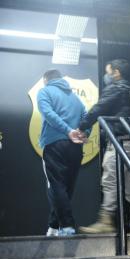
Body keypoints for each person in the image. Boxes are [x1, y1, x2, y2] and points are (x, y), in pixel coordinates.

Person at [78, 59, 130, 234]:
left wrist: (81, 126)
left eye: (108, 71)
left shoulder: (117, 88)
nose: (106, 76)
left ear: (116, 73)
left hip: (121, 141)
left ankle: (106, 220)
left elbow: (98, 109)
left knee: (109, 178)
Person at [38, 69, 86, 236]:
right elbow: (86, 117)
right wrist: (81, 132)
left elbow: (48, 114)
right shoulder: (75, 98)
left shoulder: (45, 91)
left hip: (54, 145)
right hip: (75, 148)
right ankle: (53, 226)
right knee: (66, 188)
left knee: (56, 186)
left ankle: (67, 225)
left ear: (46, 80)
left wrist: (67, 131)